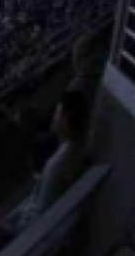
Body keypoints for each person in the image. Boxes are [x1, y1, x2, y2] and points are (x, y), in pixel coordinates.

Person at [11, 89, 90, 230]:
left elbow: (40, 211)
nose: (54, 118)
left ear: (65, 120)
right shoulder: (70, 151)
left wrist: (11, 224)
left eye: (57, 114)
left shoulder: (57, 164)